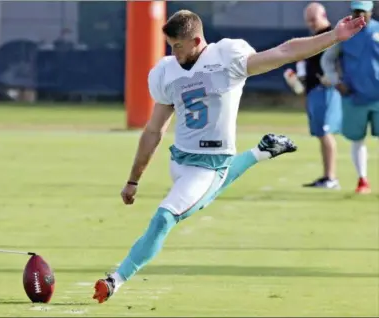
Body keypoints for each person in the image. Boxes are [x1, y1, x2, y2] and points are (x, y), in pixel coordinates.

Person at [93, 10, 366, 303]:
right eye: (170, 46)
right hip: (180, 161)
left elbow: (285, 51)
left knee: (164, 217)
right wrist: (133, 180)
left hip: (211, 164)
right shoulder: (166, 71)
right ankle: (261, 152)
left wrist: (333, 36)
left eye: (178, 46)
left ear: (197, 40)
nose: (173, 52)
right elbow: (153, 131)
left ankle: (115, 279)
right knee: (201, 195)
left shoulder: (228, 58)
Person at [321, 1, 379, 194]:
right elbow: (327, 59)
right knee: (357, 139)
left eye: (364, 12)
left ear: (371, 12)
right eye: (356, 12)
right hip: (354, 97)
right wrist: (336, 81)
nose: (360, 16)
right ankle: (362, 180)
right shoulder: (344, 33)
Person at [296, 2, 342, 189]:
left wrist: (334, 77)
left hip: (325, 90)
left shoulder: (333, 35)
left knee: (325, 132)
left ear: (323, 15)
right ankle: (326, 176)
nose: (311, 24)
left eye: (313, 19)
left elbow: (342, 58)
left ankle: (331, 178)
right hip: (314, 90)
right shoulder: (316, 36)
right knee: (320, 134)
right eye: (308, 21)